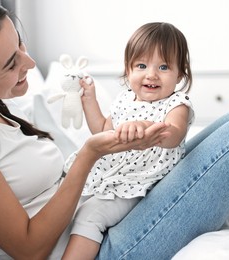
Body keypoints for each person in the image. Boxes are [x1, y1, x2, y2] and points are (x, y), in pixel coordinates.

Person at [0, 0, 229, 259]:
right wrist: (89, 154)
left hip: (108, 206)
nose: (29, 61)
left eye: (21, 46)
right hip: (96, 244)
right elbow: (28, 250)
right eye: (12, 63)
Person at [62, 22, 194, 260]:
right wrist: (89, 99)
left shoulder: (176, 104)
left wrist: (145, 127)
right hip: (108, 176)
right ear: (129, 70)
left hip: (138, 184)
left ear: (180, 75)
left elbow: (174, 134)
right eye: (141, 65)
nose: (151, 74)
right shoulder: (125, 100)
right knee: (65, 203)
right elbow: (102, 129)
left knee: (90, 216)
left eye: (163, 67)